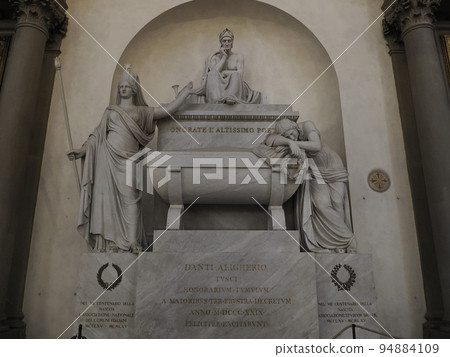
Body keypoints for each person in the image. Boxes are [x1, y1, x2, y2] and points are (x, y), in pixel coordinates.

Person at [67, 66, 193, 253]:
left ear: (134, 90)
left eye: (127, 86)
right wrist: (82, 150)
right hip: (107, 158)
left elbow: (165, 112)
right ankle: (111, 243)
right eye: (121, 86)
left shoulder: (142, 112)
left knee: (131, 199)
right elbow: (97, 136)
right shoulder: (110, 111)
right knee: (106, 200)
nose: (123, 89)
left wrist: (183, 95)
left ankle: (132, 241)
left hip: (129, 160)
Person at [264, 119, 356, 253]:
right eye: (287, 136)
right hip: (314, 171)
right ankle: (348, 239)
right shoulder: (290, 140)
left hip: (333, 167)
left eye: (291, 133)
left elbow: (316, 145)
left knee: (337, 204)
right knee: (321, 204)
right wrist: (289, 142)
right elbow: (269, 140)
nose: (291, 137)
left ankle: (340, 245)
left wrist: (294, 143)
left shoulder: (307, 126)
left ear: (295, 127)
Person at [191, 28, 262, 104]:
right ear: (221, 43)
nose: (227, 43)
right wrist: (224, 57)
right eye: (224, 41)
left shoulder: (238, 56)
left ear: (232, 42)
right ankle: (216, 99)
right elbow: (213, 73)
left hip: (234, 84)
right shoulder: (214, 57)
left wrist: (224, 72)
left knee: (236, 75)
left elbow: (240, 73)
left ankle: (231, 98)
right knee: (212, 74)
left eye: (229, 41)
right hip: (217, 87)